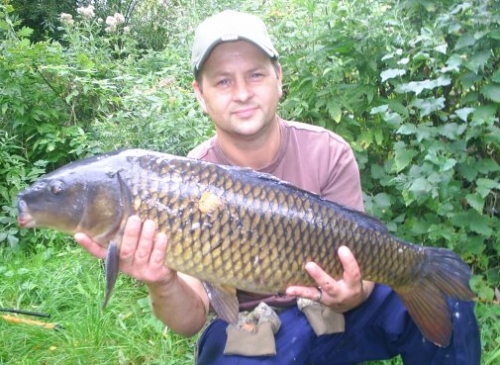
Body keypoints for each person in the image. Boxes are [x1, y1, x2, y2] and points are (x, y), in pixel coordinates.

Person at [75, 10, 481, 365]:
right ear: (200, 95)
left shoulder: (328, 151)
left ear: (278, 78)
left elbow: (366, 260)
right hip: (257, 328)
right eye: (223, 82)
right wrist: (161, 281)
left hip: (337, 312)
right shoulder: (183, 183)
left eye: (255, 75)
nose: (243, 93)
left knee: (449, 301)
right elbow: (191, 320)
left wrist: (352, 294)